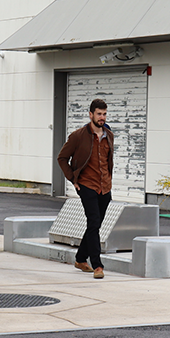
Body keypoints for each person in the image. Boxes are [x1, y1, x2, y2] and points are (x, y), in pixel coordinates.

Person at [56, 98, 114, 280]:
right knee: (94, 221)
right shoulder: (78, 136)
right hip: (86, 185)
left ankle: (80, 259)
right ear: (91, 115)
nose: (102, 117)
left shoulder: (109, 135)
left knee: (94, 225)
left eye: (104, 114)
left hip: (105, 187)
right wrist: (72, 178)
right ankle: (97, 265)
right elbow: (62, 158)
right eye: (99, 114)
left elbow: (107, 161)